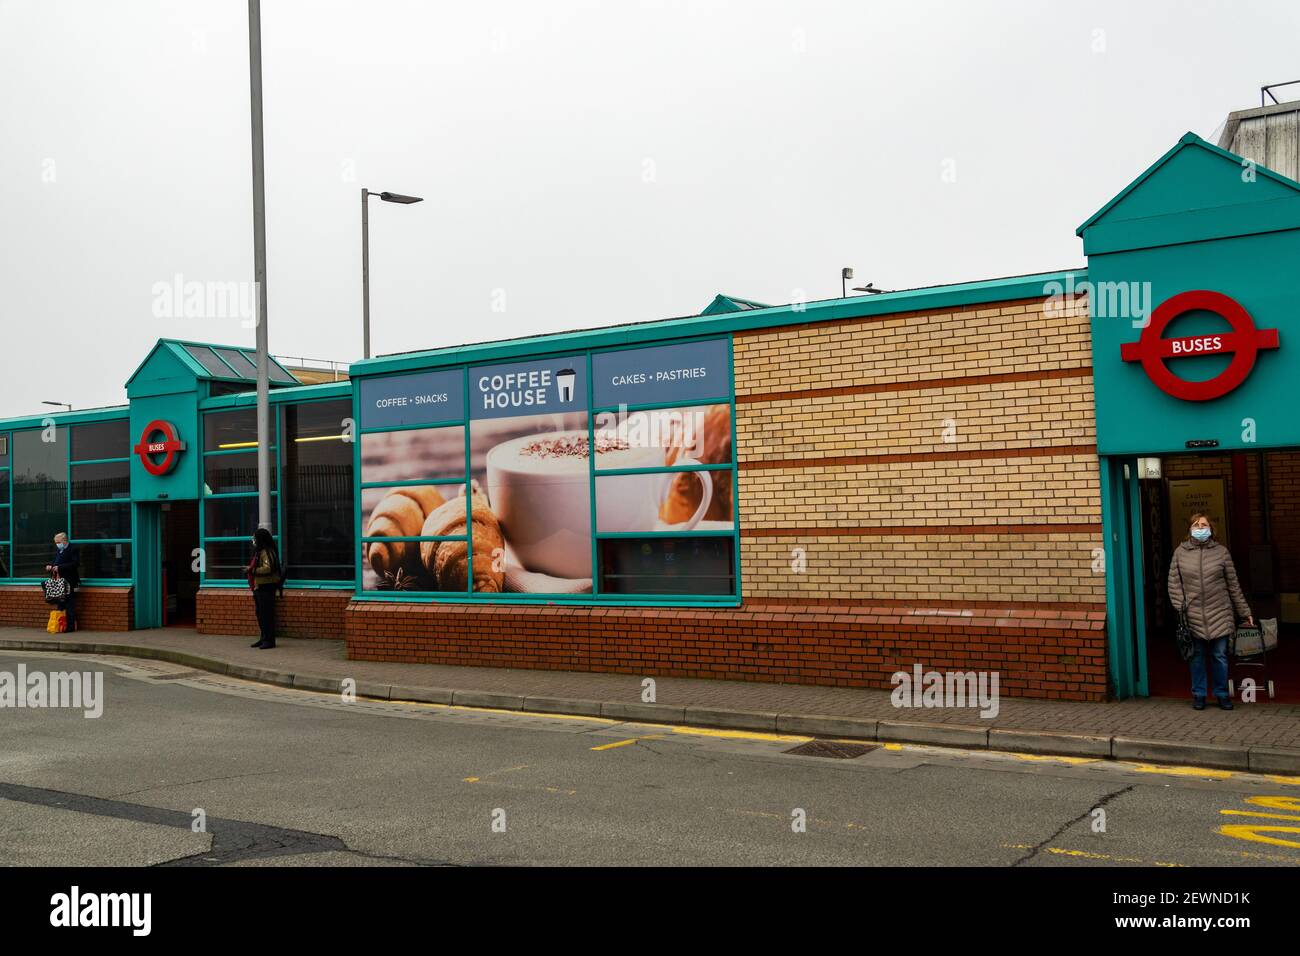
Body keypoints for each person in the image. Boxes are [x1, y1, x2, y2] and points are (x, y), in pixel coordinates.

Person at [1167, 513, 1253, 711]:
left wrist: (1244, 611)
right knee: (1196, 657)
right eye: (1196, 525)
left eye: (1204, 525)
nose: (1200, 528)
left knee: (1219, 656)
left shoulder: (1221, 552)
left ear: (1211, 529)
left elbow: (1233, 585)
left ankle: (1222, 694)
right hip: (1193, 615)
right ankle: (1199, 694)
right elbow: (1174, 584)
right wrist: (1182, 608)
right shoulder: (1180, 553)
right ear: (1189, 529)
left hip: (1220, 613)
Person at [246, 528, 283, 649]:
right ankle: (263, 638)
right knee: (260, 613)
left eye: (255, 538)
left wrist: (252, 570)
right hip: (259, 586)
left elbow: (268, 568)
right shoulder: (260, 551)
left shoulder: (266, 551)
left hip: (266, 587)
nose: (253, 540)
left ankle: (269, 640)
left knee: (266, 614)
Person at [45, 533, 80, 633]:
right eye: (56, 543)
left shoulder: (73, 549)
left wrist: (60, 567)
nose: (57, 544)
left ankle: (70, 626)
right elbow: (56, 562)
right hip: (58, 581)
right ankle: (60, 625)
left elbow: (75, 563)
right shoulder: (59, 550)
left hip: (68, 581)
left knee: (69, 604)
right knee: (60, 603)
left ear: (65, 540)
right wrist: (50, 566)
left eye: (58, 542)